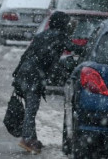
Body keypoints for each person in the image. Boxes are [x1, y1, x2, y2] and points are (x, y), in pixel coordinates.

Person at [12, 11, 84, 154]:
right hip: (35, 75)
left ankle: (32, 138)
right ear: (62, 23)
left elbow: (26, 54)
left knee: (30, 107)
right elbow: (74, 48)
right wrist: (89, 49)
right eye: (67, 22)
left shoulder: (42, 35)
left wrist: (17, 73)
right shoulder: (60, 36)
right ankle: (26, 139)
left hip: (24, 72)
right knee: (31, 109)